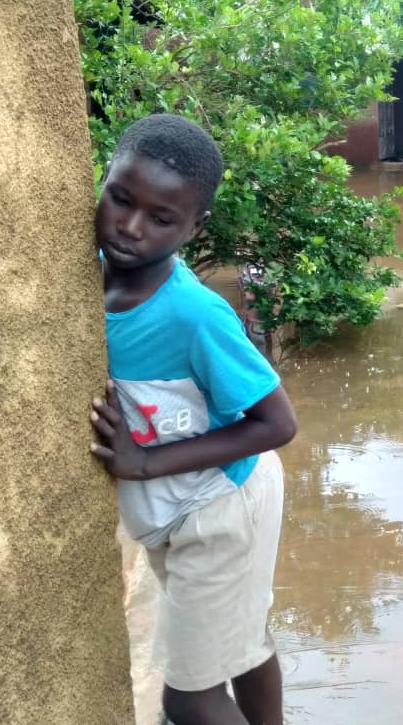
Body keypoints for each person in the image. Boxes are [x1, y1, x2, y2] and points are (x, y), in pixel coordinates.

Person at [88, 114, 297, 725]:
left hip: (220, 503)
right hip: (182, 508)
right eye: (121, 200)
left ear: (193, 228)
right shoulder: (90, 274)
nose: (129, 227)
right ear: (101, 182)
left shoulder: (193, 316)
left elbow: (276, 422)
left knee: (187, 697)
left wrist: (146, 462)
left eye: (160, 219)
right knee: (242, 640)